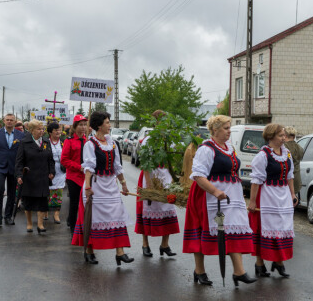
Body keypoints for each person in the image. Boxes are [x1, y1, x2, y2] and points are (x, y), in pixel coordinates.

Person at [184, 115, 256, 287]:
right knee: (203, 230)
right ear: (215, 130)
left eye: (229, 128)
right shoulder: (206, 149)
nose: (229, 131)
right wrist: (215, 191)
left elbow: (232, 173)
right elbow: (198, 175)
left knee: (233, 230)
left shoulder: (229, 148)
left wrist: (238, 194)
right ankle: (199, 270)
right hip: (207, 195)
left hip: (230, 197)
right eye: (225, 128)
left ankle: (239, 272)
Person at [72, 111, 134, 266]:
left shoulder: (113, 144)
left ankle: (120, 252)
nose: (109, 125)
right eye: (107, 122)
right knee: (93, 219)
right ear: (99, 126)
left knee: (117, 217)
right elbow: (89, 167)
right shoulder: (90, 144)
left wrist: (124, 183)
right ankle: (89, 251)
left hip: (111, 187)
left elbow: (117, 166)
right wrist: (87, 186)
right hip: (96, 186)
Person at [248, 123, 297, 278]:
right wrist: (253, 201)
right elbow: (256, 180)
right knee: (265, 228)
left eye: (284, 135)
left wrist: (293, 195)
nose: (284, 138)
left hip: (283, 196)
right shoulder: (263, 155)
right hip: (268, 195)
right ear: (271, 137)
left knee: (282, 228)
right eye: (281, 135)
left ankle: (278, 261)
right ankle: (260, 263)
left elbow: (290, 176)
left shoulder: (287, 153)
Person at [135, 110, 180, 258]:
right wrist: (149, 185)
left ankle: (164, 244)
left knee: (168, 207)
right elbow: (145, 163)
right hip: (151, 176)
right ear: (156, 123)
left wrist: (174, 180)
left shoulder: (171, 140)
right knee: (147, 209)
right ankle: (145, 244)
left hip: (166, 177)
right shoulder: (149, 140)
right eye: (161, 121)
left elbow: (173, 163)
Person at [15, 120, 55, 233]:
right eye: (38, 129)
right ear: (31, 130)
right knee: (28, 202)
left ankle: (40, 224)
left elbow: (51, 160)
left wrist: (52, 171)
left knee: (42, 202)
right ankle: (29, 223)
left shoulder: (46, 142)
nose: (41, 131)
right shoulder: (24, 142)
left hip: (43, 177)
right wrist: (19, 175)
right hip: (29, 177)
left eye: (42, 129)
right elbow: (19, 161)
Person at [0, 114, 25, 228]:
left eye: (11, 120)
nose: (9, 122)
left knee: (12, 192)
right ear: (4, 121)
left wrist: (22, 168)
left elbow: (22, 153)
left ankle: (8, 216)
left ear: (14, 122)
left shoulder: (20, 135)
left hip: (14, 167)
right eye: (7, 120)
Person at [61, 114, 88, 235]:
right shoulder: (69, 141)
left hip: (86, 177)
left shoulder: (88, 141)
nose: (83, 127)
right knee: (74, 203)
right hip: (73, 177)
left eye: (84, 125)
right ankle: (73, 227)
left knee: (86, 203)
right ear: (75, 126)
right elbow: (64, 160)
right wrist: (79, 167)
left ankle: (82, 223)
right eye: (80, 125)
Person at [47, 121, 66, 224]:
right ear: (50, 132)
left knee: (58, 192)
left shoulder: (63, 142)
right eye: (56, 130)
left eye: (59, 129)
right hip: (49, 169)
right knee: (48, 191)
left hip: (61, 170)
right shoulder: (45, 142)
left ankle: (56, 214)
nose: (58, 132)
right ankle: (45, 211)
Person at [284, 126, 304, 197]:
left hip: (286, 179)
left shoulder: (283, 147)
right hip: (297, 179)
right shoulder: (300, 148)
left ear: (285, 135)